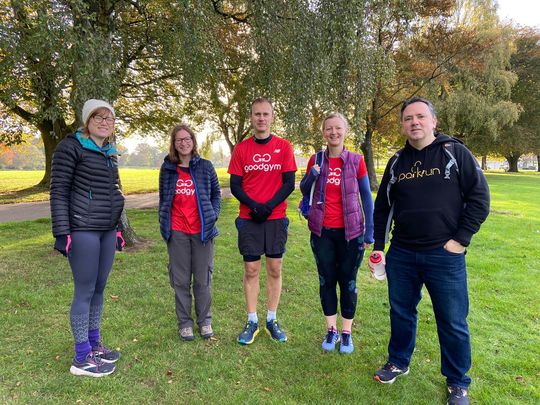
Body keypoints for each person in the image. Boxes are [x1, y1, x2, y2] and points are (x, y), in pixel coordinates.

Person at [370, 96, 490, 405]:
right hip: (402, 255)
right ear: (402, 125)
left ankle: (458, 382)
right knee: (401, 312)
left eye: (421, 116)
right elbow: (382, 208)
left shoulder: (455, 153)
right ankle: (398, 361)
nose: (415, 122)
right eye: (408, 118)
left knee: (452, 320)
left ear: (433, 121)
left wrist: (460, 240)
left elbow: (480, 199)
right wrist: (381, 248)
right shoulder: (397, 162)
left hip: (444, 255)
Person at [50, 99, 125, 377]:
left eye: (110, 118)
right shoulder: (70, 147)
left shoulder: (108, 152)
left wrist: (117, 228)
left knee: (99, 288)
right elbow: (58, 191)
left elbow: (113, 192)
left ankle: (94, 344)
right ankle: (81, 358)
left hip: (106, 229)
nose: (105, 122)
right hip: (82, 229)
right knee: (84, 290)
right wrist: (61, 232)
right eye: (99, 117)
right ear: (87, 120)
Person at [299, 112, 374, 354]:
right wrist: (312, 174)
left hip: (352, 234)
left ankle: (346, 333)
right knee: (326, 280)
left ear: (346, 131)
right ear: (323, 132)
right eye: (329, 128)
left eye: (338, 128)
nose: (333, 132)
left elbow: (366, 197)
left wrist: (370, 232)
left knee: (348, 283)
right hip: (322, 232)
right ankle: (331, 330)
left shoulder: (355, 160)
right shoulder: (316, 159)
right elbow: (303, 190)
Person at [228, 97, 297, 345]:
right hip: (249, 218)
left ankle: (271, 319)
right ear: (251, 118)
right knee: (251, 269)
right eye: (257, 114)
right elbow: (235, 185)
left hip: (276, 217)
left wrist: (268, 206)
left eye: (265, 114)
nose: (261, 118)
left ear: (272, 117)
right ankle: (252, 320)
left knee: (275, 268)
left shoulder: (284, 147)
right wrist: (254, 206)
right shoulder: (242, 149)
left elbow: (289, 183)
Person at [158, 124, 221, 341]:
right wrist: (164, 223)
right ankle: (185, 323)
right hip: (177, 232)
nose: (183, 143)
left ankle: (205, 321)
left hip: (202, 231)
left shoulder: (205, 167)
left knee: (203, 279)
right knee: (181, 280)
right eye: (178, 140)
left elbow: (216, 196)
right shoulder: (167, 169)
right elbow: (163, 199)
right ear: (174, 144)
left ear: (193, 142)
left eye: (187, 139)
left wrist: (212, 216)